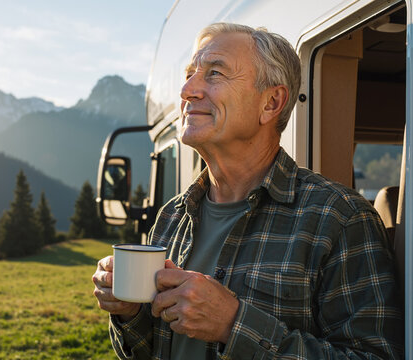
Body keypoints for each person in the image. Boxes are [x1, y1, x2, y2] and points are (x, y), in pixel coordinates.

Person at [92, 23, 403, 359]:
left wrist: (232, 325)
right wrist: (127, 312)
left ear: (271, 103)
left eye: (213, 73)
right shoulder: (171, 217)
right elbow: (148, 351)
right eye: (189, 74)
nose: (187, 90)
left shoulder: (339, 218)